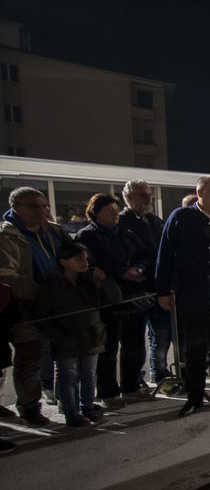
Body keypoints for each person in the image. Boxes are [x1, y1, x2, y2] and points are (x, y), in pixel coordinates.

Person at [156, 176, 210, 417]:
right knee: (193, 347)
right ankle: (194, 397)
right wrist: (162, 290)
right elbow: (165, 255)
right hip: (191, 293)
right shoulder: (181, 218)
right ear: (200, 192)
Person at [0, 187, 74, 426]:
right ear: (16, 208)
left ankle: (69, 402)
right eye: (35, 206)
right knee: (29, 359)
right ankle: (30, 406)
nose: (43, 210)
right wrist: (39, 293)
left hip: (61, 305)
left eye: (45, 205)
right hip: (26, 308)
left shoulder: (55, 231)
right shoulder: (7, 236)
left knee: (64, 356)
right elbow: (6, 274)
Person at [76, 193, 150, 409]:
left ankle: (132, 385)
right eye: (109, 211)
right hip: (108, 299)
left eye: (116, 210)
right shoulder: (87, 236)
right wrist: (120, 272)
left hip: (134, 296)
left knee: (135, 344)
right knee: (108, 348)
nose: (115, 214)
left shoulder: (127, 232)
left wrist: (140, 268)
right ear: (95, 213)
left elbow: (145, 254)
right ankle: (108, 392)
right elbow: (91, 265)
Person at [34, 244, 121, 426]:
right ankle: (71, 413)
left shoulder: (89, 280)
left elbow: (113, 300)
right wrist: (57, 334)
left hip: (91, 335)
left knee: (89, 374)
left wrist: (105, 281)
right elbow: (42, 316)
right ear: (64, 262)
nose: (84, 263)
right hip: (66, 339)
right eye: (79, 259)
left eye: (86, 259)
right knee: (68, 376)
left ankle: (88, 406)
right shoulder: (51, 285)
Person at [118, 180, 168, 388]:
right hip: (134, 289)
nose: (148, 199)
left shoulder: (154, 221)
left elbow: (162, 251)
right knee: (133, 341)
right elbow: (130, 253)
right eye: (142, 195)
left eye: (149, 194)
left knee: (161, 335)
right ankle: (132, 382)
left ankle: (160, 375)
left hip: (157, 287)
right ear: (128, 197)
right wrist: (139, 268)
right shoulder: (121, 223)